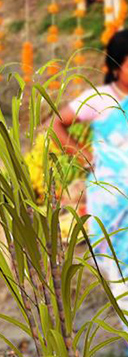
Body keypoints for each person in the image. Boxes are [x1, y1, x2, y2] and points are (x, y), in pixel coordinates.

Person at [54, 30, 128, 319]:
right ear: (114, 66)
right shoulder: (100, 99)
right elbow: (56, 125)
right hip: (110, 203)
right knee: (117, 269)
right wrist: (85, 156)